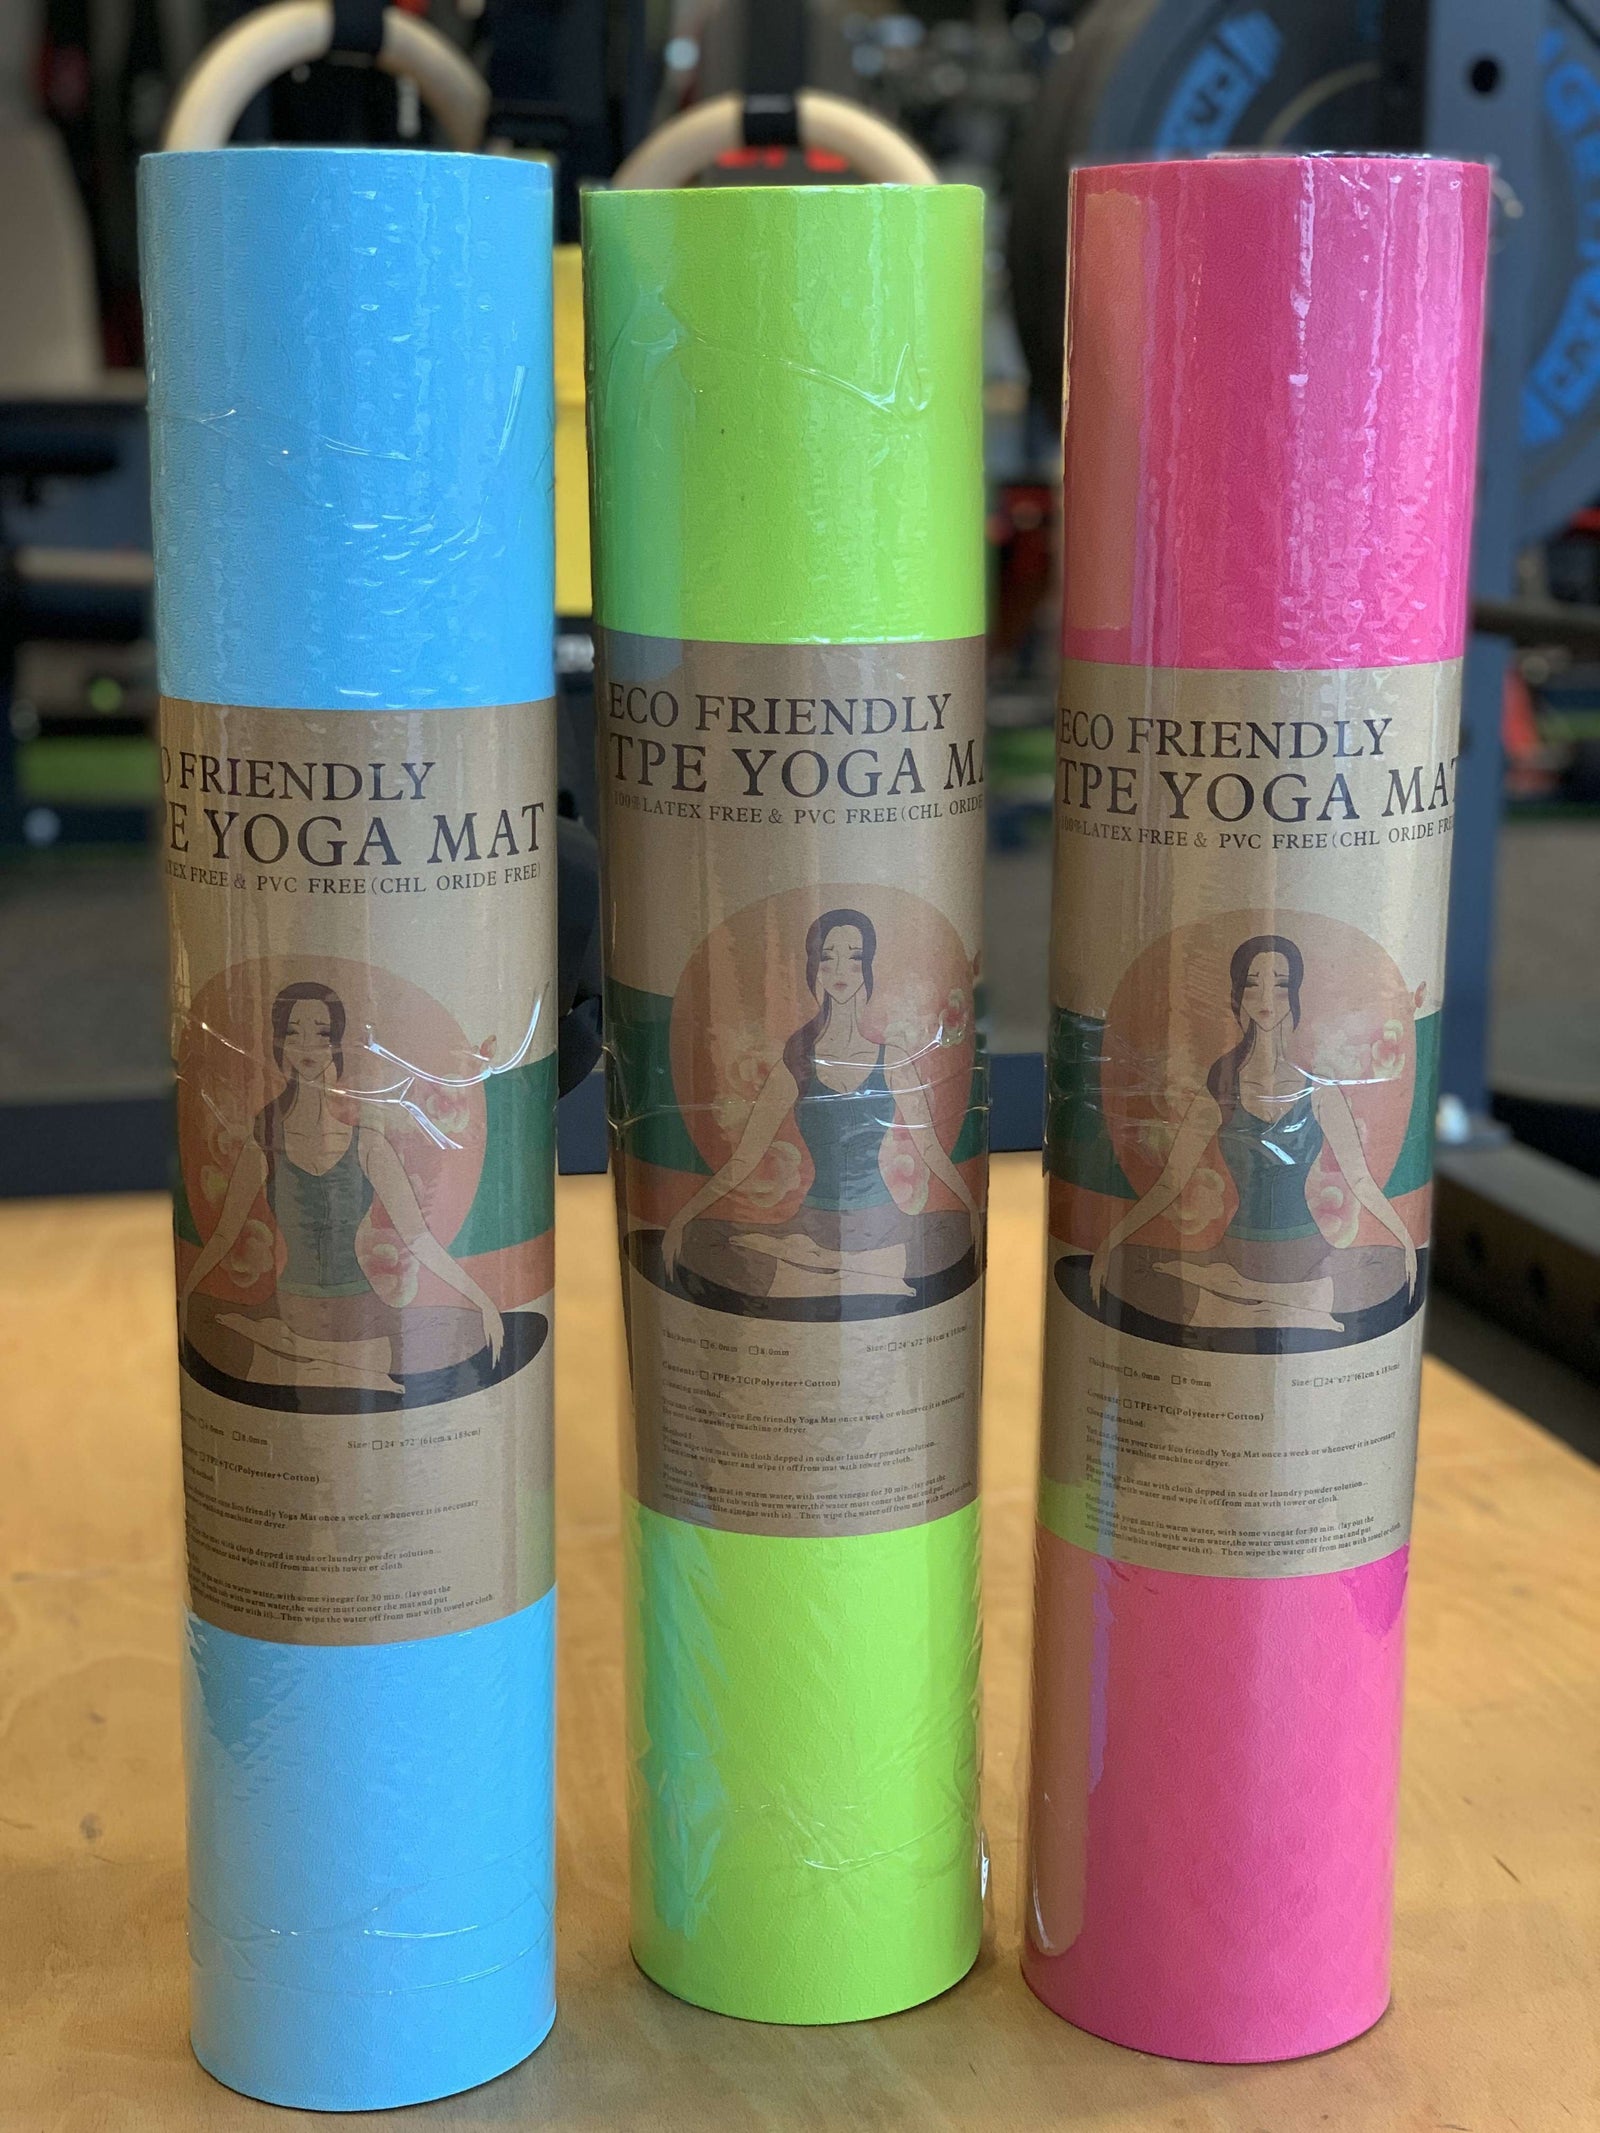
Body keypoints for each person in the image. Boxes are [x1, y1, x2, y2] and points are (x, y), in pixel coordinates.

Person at [179, 980, 503, 1390]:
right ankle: (357, 1369)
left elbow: (418, 1239)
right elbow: (226, 1234)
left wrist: (483, 1301)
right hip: (291, 1306)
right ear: (281, 1044)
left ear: (336, 1045)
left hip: (361, 1312)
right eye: (294, 1032)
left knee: (466, 1330)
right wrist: (187, 1293)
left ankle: (297, 1356)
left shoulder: (368, 1144)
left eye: (322, 1034)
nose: (308, 1046)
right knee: (202, 1324)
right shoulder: (262, 1145)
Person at [1088, 934, 1418, 1332]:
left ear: (1294, 994)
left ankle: (1241, 1298)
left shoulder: (1319, 1093)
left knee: (1391, 1266)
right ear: (1238, 995)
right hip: (1237, 1250)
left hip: (1308, 1253)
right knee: (1124, 1268)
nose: (1266, 997)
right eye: (1252, 983)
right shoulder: (1220, 1091)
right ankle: (1287, 1307)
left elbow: (1360, 1180)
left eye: (1280, 984)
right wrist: (1109, 1243)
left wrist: (1405, 1240)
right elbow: (1170, 1183)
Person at [662, 909, 980, 1299]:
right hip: (813, 1222)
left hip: (881, 1222)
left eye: (854, 957)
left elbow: (929, 1147)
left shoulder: (892, 1060)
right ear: (815, 968)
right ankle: (859, 1275)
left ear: (867, 967)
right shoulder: (795, 1064)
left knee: (954, 1233)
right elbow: (745, 1158)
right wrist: (681, 1218)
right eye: (829, 957)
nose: (841, 969)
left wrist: (971, 1208)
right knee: (698, 1240)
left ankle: (818, 1269)